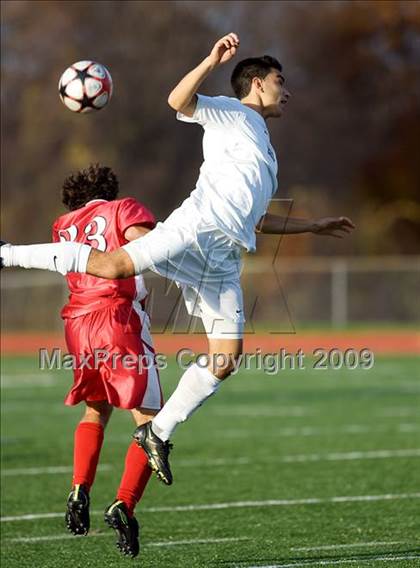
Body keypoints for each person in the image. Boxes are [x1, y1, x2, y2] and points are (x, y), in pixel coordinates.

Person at [1, 33, 355, 490]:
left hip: (224, 259)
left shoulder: (266, 150)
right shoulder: (231, 112)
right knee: (113, 267)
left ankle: (157, 432)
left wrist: (313, 226)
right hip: (195, 230)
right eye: (278, 80)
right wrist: (211, 60)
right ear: (255, 84)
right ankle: (6, 252)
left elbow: (258, 219)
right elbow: (178, 99)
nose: (285, 90)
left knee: (226, 360)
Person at [53, 164, 160, 558]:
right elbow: (145, 243)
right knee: (154, 426)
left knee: (95, 412)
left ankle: (80, 487)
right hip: (117, 318)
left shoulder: (62, 224)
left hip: (78, 323)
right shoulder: (122, 209)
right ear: (110, 191)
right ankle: (124, 505)